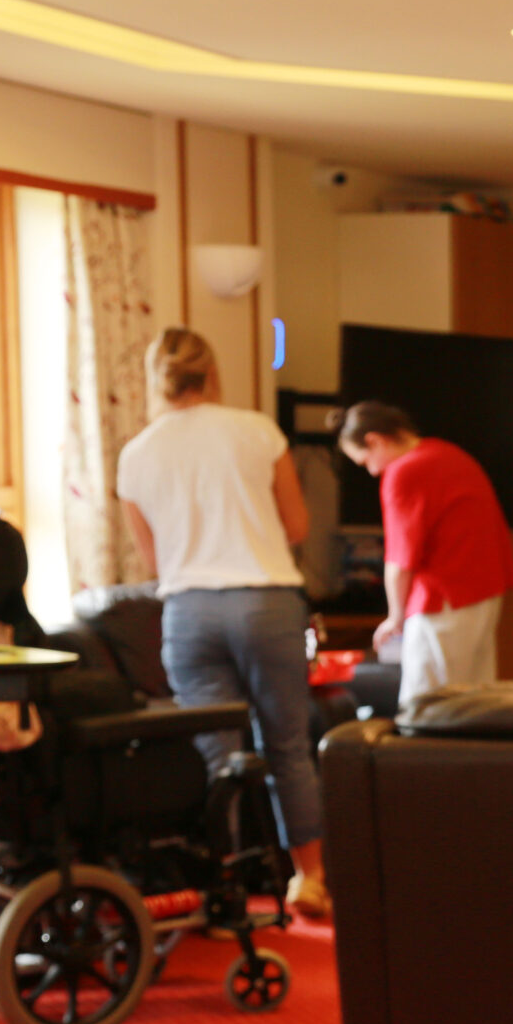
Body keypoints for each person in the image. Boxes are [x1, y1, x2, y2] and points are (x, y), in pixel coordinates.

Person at [117, 327, 329, 918]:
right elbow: (295, 527)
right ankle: (307, 879)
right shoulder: (257, 430)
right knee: (287, 744)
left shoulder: (136, 454)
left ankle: (227, 893)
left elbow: (153, 561)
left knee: (219, 758)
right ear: (212, 374)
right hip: (266, 600)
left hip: (190, 612)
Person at [335, 402, 513, 710]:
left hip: (443, 599)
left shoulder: (404, 472)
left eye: (366, 461)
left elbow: (400, 558)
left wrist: (395, 617)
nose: (372, 471)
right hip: (483, 593)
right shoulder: (447, 452)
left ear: (375, 441)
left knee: (426, 707)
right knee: (476, 702)